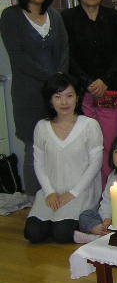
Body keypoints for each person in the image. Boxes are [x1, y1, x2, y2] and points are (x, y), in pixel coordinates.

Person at [0, 0, 68, 196]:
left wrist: (60, 81)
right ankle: (34, 201)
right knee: (35, 150)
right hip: (28, 96)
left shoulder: (55, 16)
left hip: (59, 96)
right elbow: (18, 57)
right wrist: (52, 78)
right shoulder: (11, 16)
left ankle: (59, 199)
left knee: (59, 148)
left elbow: (64, 51)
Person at [62, 0, 117, 186]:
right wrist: (87, 82)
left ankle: (111, 190)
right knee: (85, 143)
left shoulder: (114, 17)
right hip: (81, 92)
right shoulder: (66, 18)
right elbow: (68, 55)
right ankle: (86, 189)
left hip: (110, 90)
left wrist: (105, 80)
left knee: (111, 143)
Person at [24, 74, 103, 244]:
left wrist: (73, 193)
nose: (64, 102)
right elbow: (38, 163)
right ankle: (60, 227)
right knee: (32, 233)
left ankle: (85, 234)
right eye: (57, 97)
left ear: (77, 97)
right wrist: (49, 192)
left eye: (69, 95)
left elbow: (95, 164)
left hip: (81, 191)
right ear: (50, 100)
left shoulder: (89, 125)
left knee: (61, 233)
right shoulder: (41, 127)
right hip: (51, 191)